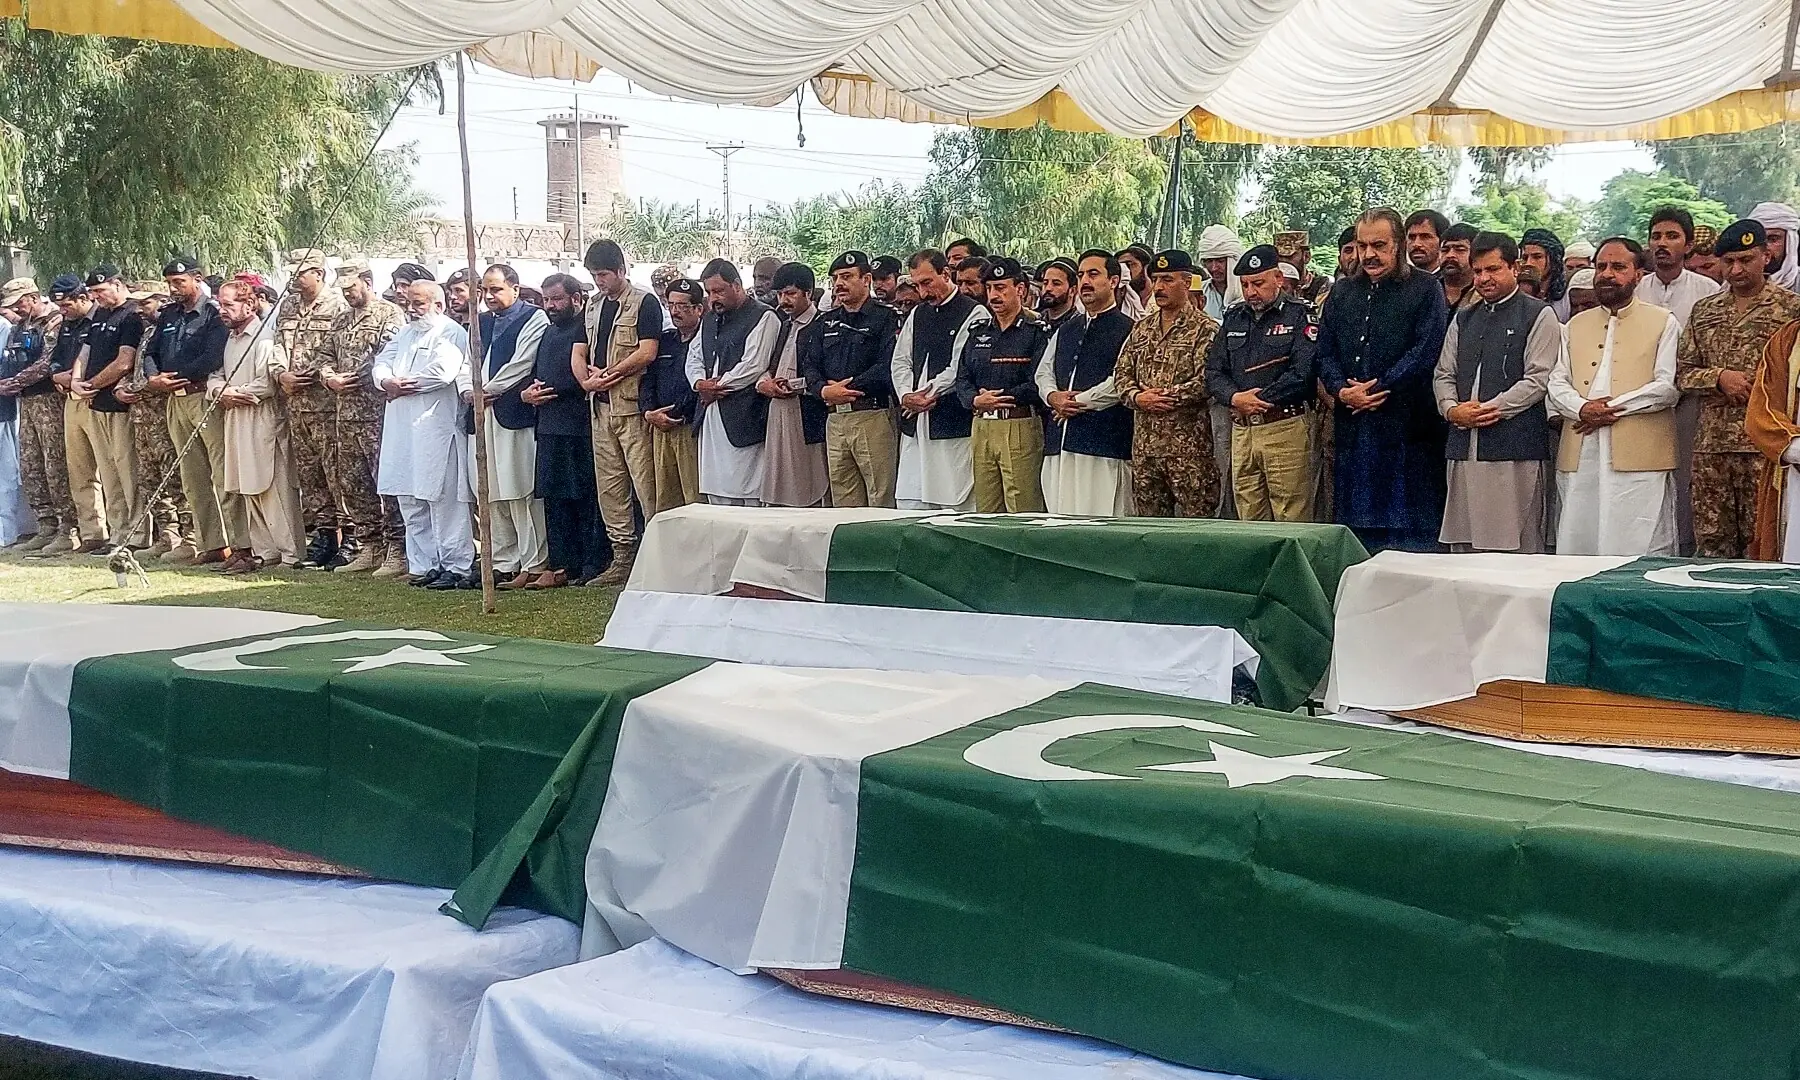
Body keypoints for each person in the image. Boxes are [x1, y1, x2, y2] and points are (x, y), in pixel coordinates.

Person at [1316, 208, 1451, 552]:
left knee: (1409, 538)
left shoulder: (1425, 290)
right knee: (1357, 537)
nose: (1369, 255)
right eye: (1363, 246)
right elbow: (1325, 351)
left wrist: (1375, 390)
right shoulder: (1343, 292)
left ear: (1399, 245)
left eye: (1379, 245)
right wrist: (1342, 391)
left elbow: (1424, 353)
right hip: (1354, 430)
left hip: (1408, 432)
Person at [1547, 237, 1682, 556]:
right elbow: (1556, 381)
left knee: (1640, 544)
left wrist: (1609, 410)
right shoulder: (1573, 325)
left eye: (1618, 267)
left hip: (1640, 453)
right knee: (1578, 538)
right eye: (1602, 266)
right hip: (1582, 452)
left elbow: (1667, 387)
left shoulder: (1664, 322)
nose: (1607, 274)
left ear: (1638, 275)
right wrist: (1582, 409)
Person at [1674, 220, 1800, 559]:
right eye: (1728, 261)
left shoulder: (1791, 309)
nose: (1736, 269)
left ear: (1765, 256)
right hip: (1712, 448)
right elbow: (1682, 374)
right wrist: (1718, 378)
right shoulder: (1705, 310)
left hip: (1766, 447)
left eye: (1746, 259)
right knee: (1712, 543)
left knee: (1764, 543)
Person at [1431, 232, 1558, 553]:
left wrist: (1492, 409)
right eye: (1478, 272)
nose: (1484, 278)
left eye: (1493, 269)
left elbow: (1538, 379)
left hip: (1514, 449)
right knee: (1465, 543)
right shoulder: (1464, 317)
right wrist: (1450, 408)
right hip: (1464, 446)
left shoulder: (1538, 314)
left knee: (1517, 543)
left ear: (1514, 268)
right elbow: (1444, 373)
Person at [1203, 245, 1319, 523]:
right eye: (1245, 284)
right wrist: (1235, 399)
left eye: (1258, 283)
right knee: (1249, 519)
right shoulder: (1234, 317)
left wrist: (1257, 400)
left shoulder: (1299, 314)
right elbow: (1213, 372)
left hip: (1284, 427)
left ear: (1278, 279)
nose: (1251, 291)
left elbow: (1302, 372)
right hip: (1243, 430)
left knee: (1291, 517)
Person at [139, 255, 238, 566]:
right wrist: (154, 377)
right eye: (170, 283)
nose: (174, 289)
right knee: (192, 476)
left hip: (201, 397)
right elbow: (151, 352)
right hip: (175, 400)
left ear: (198, 278)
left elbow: (213, 355)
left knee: (221, 474)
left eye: (179, 282)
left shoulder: (211, 313)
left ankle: (238, 545)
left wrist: (182, 374)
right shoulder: (169, 315)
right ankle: (211, 544)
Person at [374, 280, 473, 588]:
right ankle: (424, 564)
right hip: (402, 428)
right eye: (409, 303)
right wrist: (386, 382)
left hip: (435, 429)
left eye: (418, 303)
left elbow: (443, 372)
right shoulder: (405, 332)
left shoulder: (451, 332)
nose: (412, 309)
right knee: (410, 498)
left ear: (438, 305)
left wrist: (402, 384)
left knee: (442, 500)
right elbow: (381, 362)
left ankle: (456, 565)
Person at [579, 241, 661, 586]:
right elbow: (582, 347)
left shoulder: (644, 302)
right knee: (610, 487)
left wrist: (608, 374)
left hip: (629, 405)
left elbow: (647, 352)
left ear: (620, 271)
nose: (599, 282)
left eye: (603, 275)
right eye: (595, 275)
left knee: (646, 484)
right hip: (600, 407)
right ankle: (622, 557)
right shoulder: (594, 305)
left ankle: (657, 558)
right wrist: (587, 380)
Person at [462, 263, 549, 588]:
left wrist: (489, 390)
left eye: (496, 289)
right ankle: (503, 561)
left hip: (513, 412)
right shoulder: (480, 321)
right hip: (481, 414)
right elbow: (466, 361)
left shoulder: (533, 318)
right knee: (491, 490)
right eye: (485, 290)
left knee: (519, 488)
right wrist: (467, 390)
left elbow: (522, 362)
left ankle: (534, 562)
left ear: (514, 287)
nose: (489, 296)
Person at [1115, 249, 1219, 517]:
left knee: (1196, 529)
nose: (1159, 287)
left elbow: (1208, 380)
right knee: (1150, 529)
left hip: (1188, 452)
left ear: (1187, 282)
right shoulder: (1142, 328)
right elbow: (1122, 373)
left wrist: (1166, 396)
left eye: (1168, 280)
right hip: (1146, 451)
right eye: (1157, 279)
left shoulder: (1205, 329)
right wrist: (1138, 397)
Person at [318, 256, 405, 575]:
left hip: (377, 413)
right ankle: (369, 546)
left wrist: (351, 375)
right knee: (353, 483)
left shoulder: (388, 313)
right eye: (342, 289)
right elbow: (325, 355)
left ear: (368, 282)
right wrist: (329, 376)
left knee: (387, 483)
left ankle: (398, 549)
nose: (347, 294)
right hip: (345, 416)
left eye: (351, 287)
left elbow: (387, 356)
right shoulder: (341, 320)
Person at [209, 281, 300, 573]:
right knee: (247, 486)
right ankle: (265, 551)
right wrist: (219, 391)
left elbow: (267, 383)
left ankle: (290, 554)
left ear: (249, 305)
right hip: (234, 417)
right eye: (221, 305)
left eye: (229, 305)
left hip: (260, 416)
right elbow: (216, 375)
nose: (223, 311)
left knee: (271, 485)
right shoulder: (230, 339)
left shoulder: (264, 339)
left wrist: (236, 393)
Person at [1036, 250, 1134, 516]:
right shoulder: (1067, 328)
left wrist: (1077, 402)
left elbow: (1122, 381)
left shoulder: (1129, 328)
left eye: (1093, 274)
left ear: (1113, 281)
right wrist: (1053, 397)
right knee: (1061, 522)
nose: (1085, 282)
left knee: (1103, 522)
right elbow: (1043, 372)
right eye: (1080, 275)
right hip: (1060, 442)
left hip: (1104, 444)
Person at [272, 247, 350, 569]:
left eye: (300, 271)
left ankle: (352, 537)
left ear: (318, 273)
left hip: (328, 404)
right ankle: (325, 535)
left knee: (338, 473)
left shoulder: (338, 305)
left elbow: (338, 351)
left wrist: (314, 373)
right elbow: (277, 344)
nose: (294, 276)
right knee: (310, 474)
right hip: (296, 404)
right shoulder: (288, 305)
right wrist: (280, 374)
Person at [802, 250, 900, 508]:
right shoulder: (826, 322)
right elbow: (810, 364)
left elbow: (887, 365)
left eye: (846, 277)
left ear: (866, 279)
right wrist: (823, 391)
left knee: (880, 497)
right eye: (835, 278)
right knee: (843, 501)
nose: (839, 284)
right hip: (835, 418)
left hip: (871, 415)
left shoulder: (886, 317)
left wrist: (848, 388)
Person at [518, 274, 597, 588]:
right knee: (553, 498)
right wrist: (527, 394)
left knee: (582, 499)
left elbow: (581, 378)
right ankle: (560, 563)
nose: (550, 306)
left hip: (578, 427)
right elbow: (536, 372)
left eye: (557, 299)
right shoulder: (549, 333)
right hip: (549, 426)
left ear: (576, 298)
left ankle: (584, 565)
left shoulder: (585, 330)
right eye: (547, 299)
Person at [892, 249, 987, 511]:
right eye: (917, 285)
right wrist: (905, 395)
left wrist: (927, 393)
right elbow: (900, 360)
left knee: (954, 502)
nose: (922, 293)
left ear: (946, 273)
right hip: (915, 422)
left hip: (951, 420)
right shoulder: (918, 314)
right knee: (911, 503)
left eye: (927, 283)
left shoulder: (975, 313)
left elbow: (959, 367)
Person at [954, 258, 1048, 513]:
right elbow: (962, 377)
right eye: (990, 288)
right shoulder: (978, 330)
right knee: (986, 508)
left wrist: (1002, 397)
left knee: (1022, 507)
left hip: (1018, 424)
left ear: (1020, 289)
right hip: (982, 423)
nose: (994, 295)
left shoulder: (1036, 331)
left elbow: (1038, 380)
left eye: (1001, 288)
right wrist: (974, 400)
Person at [688, 258, 780, 506]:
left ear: (737, 286)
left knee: (750, 499)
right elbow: (694, 356)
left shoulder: (763, 317)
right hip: (711, 416)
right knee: (717, 501)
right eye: (709, 292)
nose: (712, 298)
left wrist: (717, 386)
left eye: (718, 291)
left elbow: (753, 365)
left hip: (745, 414)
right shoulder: (709, 319)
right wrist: (699, 384)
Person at [68, 264, 144, 551]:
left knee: (128, 472)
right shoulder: (100, 313)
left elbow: (125, 360)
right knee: (109, 473)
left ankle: (138, 534)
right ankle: (118, 534)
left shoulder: (131, 315)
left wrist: (94, 383)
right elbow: (85, 351)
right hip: (96, 403)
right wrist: (77, 379)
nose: (97, 296)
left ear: (117, 284)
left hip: (119, 405)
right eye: (94, 292)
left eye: (101, 290)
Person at [116, 281, 191, 559]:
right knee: (149, 478)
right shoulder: (147, 331)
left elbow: (163, 376)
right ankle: (167, 535)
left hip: (163, 414)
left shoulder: (171, 330)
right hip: (141, 417)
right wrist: (121, 386)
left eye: (144, 303)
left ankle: (189, 537)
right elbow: (136, 368)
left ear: (160, 300)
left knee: (175, 476)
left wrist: (138, 387)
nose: (139, 309)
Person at [1, 279, 74, 552]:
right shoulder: (20, 327)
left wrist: (15, 381)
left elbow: (47, 361)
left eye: (19, 303)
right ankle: (45, 525)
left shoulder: (54, 321)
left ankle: (68, 527)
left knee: (55, 463)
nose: (16, 310)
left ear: (32, 297)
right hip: (25, 403)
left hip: (49, 400)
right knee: (31, 465)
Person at [760, 261, 830, 508]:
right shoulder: (783, 324)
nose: (783, 300)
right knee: (779, 484)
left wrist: (795, 385)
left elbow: (824, 374)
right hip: (777, 412)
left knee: (809, 483)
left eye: (790, 293)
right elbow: (767, 367)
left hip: (806, 413)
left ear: (808, 293)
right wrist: (764, 384)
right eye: (780, 294)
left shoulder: (822, 325)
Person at [48, 277, 102, 550]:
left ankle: (116, 530)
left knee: (107, 467)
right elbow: (56, 357)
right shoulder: (66, 324)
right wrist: (59, 374)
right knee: (79, 470)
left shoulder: (98, 319)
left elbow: (100, 357)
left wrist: (75, 376)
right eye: (58, 305)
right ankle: (92, 532)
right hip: (70, 399)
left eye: (67, 304)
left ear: (83, 298)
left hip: (94, 397)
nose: (62, 310)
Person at [642, 279, 703, 516]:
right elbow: (648, 380)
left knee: (693, 496)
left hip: (688, 427)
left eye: (683, 306)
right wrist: (649, 412)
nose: (676, 311)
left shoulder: (707, 340)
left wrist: (675, 412)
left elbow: (698, 385)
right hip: (659, 427)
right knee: (666, 500)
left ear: (699, 308)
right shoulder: (666, 340)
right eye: (671, 305)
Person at [1638, 206, 1722, 328]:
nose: (1662, 243)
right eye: (1656, 237)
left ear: (1688, 245)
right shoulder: (1636, 288)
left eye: (1672, 236)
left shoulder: (1709, 290)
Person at [1519, 228, 1570, 322]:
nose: (1529, 263)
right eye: (1525, 258)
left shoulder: (1567, 295)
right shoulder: (1516, 291)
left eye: (1537, 257)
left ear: (1553, 260)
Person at [1194, 225, 1243, 321]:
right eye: (1209, 261)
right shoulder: (1198, 291)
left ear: (1232, 261)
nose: (1214, 268)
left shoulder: (1247, 293)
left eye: (1220, 261)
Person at [1275, 231, 1331, 314]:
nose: (1284, 262)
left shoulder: (1323, 285)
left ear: (1307, 257)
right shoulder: (1273, 286)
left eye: (1289, 257)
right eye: (1280, 257)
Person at [1750, 202, 1800, 290]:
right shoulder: (1737, 281)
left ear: (1790, 242)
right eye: (1759, 240)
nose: (1765, 248)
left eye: (1773, 239)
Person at [1438, 223, 1479, 311]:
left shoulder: (1485, 295)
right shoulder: (1427, 290)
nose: (1450, 255)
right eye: (1444, 250)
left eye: (1460, 250)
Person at [1036, 258, 1078, 334]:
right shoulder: (1034, 322)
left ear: (1072, 291)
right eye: (1045, 283)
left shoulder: (1079, 326)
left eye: (1056, 284)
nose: (1048, 288)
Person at [1404, 209, 1449, 274]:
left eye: (1425, 237)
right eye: (1412, 237)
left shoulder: (1453, 280)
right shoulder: (1398, 280)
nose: (1416, 244)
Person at [1116, 243, 1153, 320]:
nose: (1125, 271)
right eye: (1120, 267)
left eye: (1129, 264)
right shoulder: (1117, 301)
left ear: (1146, 269)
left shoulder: (1162, 301)